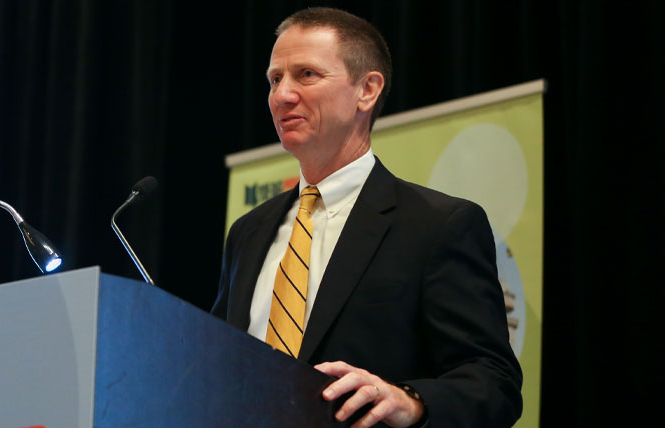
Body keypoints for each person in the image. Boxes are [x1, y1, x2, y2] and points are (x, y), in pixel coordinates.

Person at [211, 7, 522, 428]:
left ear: (367, 90)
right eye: (274, 79)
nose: (282, 95)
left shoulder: (437, 226)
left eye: (306, 75)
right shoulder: (249, 232)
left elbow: (493, 382)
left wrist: (408, 401)